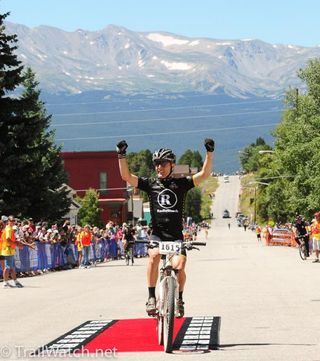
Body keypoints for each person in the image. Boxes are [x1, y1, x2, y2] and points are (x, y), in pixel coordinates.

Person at [117, 138, 214, 317]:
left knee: (180, 265)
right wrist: (121, 155)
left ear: (172, 165)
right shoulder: (151, 184)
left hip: (176, 236)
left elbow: (205, 174)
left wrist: (209, 153)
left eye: (162, 164)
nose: (159, 168)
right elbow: (126, 177)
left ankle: (179, 298)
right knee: (153, 256)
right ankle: (151, 297)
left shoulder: (182, 184)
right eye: (156, 164)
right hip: (158, 235)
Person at [1, 215, 24, 288]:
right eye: (11, 221)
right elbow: (8, 239)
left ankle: (15, 281)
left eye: (14, 221)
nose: (13, 222)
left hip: (10, 250)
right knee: (7, 267)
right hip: (8, 249)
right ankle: (5, 283)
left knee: (12, 267)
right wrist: (16, 243)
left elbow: (11, 239)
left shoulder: (9, 228)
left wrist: (17, 243)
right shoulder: (8, 229)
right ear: (8, 221)